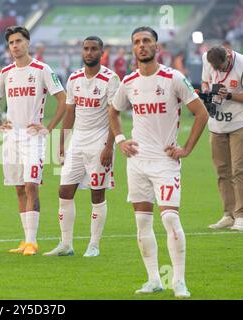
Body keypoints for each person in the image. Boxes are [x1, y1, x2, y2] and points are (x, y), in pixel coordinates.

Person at [109, 26, 208, 298]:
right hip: (137, 161)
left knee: (170, 220)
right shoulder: (128, 82)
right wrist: (120, 140)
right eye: (137, 42)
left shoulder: (173, 78)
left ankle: (179, 281)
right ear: (133, 48)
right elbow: (113, 111)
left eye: (147, 41)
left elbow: (201, 114)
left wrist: (186, 148)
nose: (142, 46)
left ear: (157, 47)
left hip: (165, 162)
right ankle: (153, 279)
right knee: (142, 223)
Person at [0, 26, 66, 256]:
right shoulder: (6, 72)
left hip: (33, 137)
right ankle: (25, 241)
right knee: (19, 189)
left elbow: (63, 100)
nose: (15, 45)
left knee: (32, 185)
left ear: (28, 43)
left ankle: (33, 241)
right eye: (11, 42)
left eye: (19, 41)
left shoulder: (42, 69)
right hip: (12, 137)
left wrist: (48, 127)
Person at [43, 36, 120, 257]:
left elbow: (114, 115)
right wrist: (62, 142)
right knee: (64, 190)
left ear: (101, 52)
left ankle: (94, 245)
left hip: (99, 143)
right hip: (77, 142)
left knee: (97, 194)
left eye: (94, 49)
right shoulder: (74, 77)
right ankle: (66, 244)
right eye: (86, 49)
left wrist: (108, 147)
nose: (89, 52)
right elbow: (70, 112)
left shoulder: (110, 79)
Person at [202, 45, 243, 231]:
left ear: (228, 56)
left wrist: (229, 95)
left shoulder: (241, 63)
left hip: (238, 123)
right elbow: (204, 82)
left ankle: (241, 215)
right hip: (217, 124)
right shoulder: (206, 59)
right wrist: (206, 96)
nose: (218, 70)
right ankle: (228, 214)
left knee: (239, 170)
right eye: (215, 68)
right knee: (222, 171)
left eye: (221, 67)